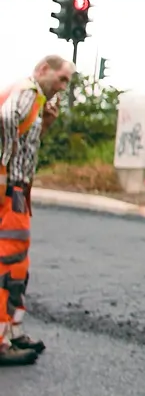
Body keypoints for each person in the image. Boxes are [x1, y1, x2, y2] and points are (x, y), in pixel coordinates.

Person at [0, 55, 72, 366]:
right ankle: (2, 340)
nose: (63, 87)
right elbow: (4, 122)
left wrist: (46, 125)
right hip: (11, 190)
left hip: (18, 190)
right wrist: (3, 169)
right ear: (44, 70)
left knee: (18, 263)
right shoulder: (28, 92)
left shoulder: (35, 99)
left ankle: (12, 330)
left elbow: (23, 140)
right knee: (9, 260)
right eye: (62, 79)